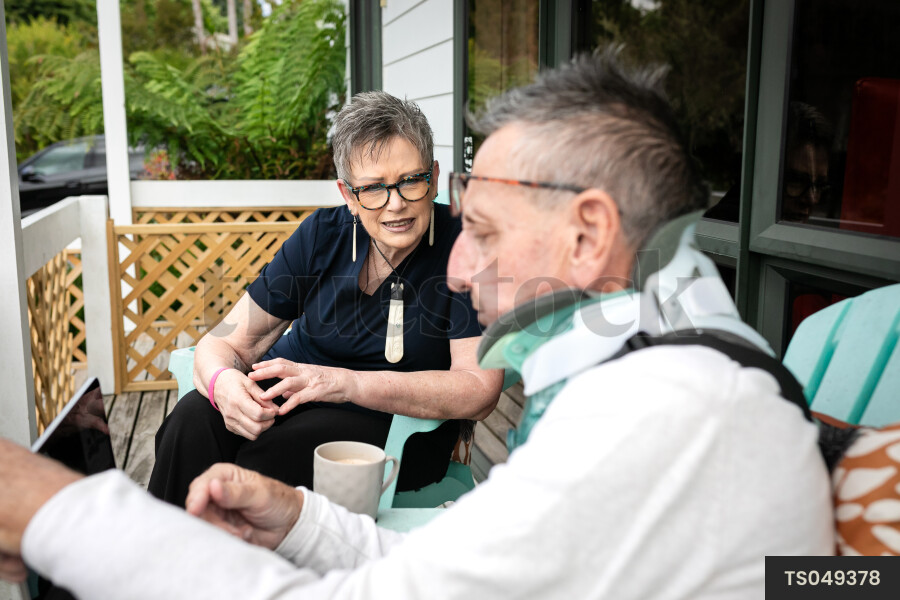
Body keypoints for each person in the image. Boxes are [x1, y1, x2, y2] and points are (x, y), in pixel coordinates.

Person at [0, 50, 833, 599]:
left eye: (487, 231)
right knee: (191, 421)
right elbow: (442, 567)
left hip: (367, 430)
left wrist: (58, 511)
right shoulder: (672, 367)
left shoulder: (665, 416)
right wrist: (297, 517)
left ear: (587, 234)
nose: (461, 268)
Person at [147, 91, 504, 506]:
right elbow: (224, 342)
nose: (395, 204)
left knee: (258, 460)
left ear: (435, 176)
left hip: (393, 429)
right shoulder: (321, 235)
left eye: (411, 180)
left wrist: (342, 383)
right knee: (191, 421)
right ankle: (164, 555)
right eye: (372, 188)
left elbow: (479, 389)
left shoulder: (467, 246)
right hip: (287, 399)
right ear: (348, 194)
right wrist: (222, 383)